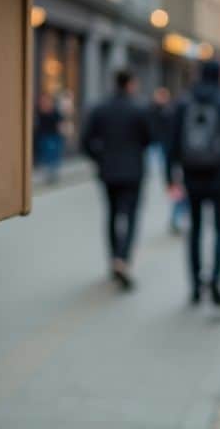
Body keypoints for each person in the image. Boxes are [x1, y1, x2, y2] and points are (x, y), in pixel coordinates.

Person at [169, 61, 220, 307]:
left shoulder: (183, 103)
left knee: (195, 230)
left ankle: (194, 285)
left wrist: (169, 177)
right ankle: (216, 281)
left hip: (192, 175)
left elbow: (172, 142)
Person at [81, 70, 154, 290]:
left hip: (109, 172)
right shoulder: (140, 108)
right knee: (130, 217)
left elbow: (85, 141)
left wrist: (100, 159)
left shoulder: (100, 108)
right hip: (133, 172)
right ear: (131, 84)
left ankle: (114, 258)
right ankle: (123, 258)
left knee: (112, 215)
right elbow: (150, 138)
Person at [149, 87, 182, 233]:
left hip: (173, 153)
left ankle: (177, 219)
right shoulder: (152, 110)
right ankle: (176, 219)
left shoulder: (171, 112)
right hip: (159, 147)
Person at [34, 92, 65, 185]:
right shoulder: (38, 111)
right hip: (43, 136)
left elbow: (61, 123)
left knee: (53, 155)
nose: (44, 102)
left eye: (46, 100)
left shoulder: (55, 111)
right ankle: (48, 174)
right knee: (46, 155)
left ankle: (52, 174)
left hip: (54, 136)